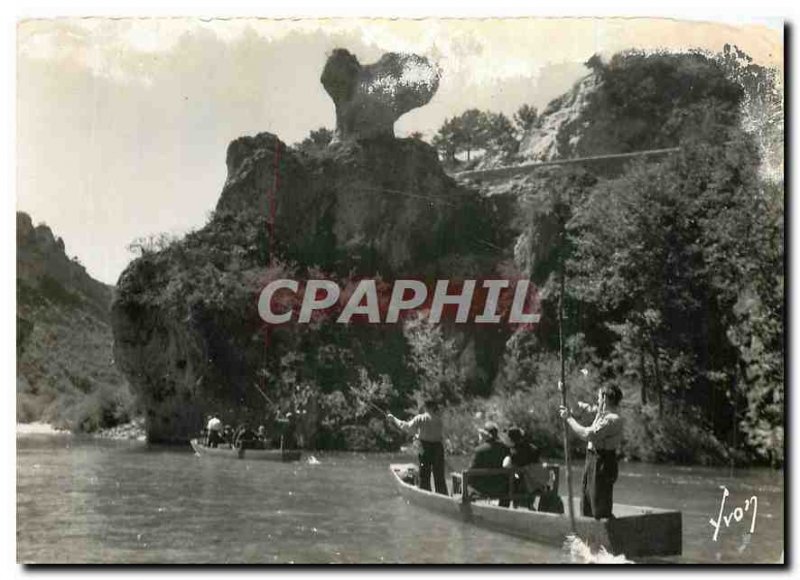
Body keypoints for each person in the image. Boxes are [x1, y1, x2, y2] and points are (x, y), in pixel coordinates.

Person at [559, 384, 624, 519]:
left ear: (605, 398)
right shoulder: (600, 413)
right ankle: (588, 528)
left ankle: (603, 531)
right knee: (587, 499)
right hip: (593, 459)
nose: (597, 400)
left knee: (599, 504)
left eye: (599, 397)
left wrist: (569, 419)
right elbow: (578, 408)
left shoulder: (613, 419)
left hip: (603, 461)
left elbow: (588, 435)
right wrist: (566, 392)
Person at [387, 398, 447, 495]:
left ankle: (425, 493)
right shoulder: (439, 420)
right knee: (439, 475)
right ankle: (443, 495)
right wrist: (419, 435)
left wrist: (393, 418)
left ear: (425, 407)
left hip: (425, 448)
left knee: (424, 474)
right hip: (438, 448)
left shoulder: (421, 418)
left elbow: (405, 426)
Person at [502, 427, 549, 508]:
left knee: (512, 479)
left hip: (523, 484)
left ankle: (510, 506)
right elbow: (541, 463)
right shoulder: (533, 448)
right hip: (537, 483)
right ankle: (528, 504)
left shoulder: (515, 451)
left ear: (511, 439)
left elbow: (505, 465)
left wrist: (507, 456)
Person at [469, 421, 511, 507]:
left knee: (462, 478)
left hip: (482, 488)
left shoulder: (479, 450)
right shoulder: (506, 449)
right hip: (501, 487)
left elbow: (471, 471)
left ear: (484, 435)